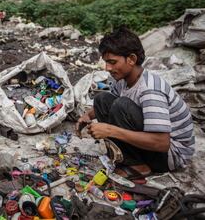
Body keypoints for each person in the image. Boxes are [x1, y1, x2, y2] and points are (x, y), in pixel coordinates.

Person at [76, 27, 194, 177]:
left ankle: (138, 166)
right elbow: (108, 100)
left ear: (131, 59)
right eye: (106, 62)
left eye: (112, 62)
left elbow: (162, 143)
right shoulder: (124, 80)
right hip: (155, 145)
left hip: (170, 155)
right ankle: (126, 155)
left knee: (121, 105)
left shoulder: (150, 90)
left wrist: (110, 130)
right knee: (102, 99)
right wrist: (87, 115)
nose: (107, 68)